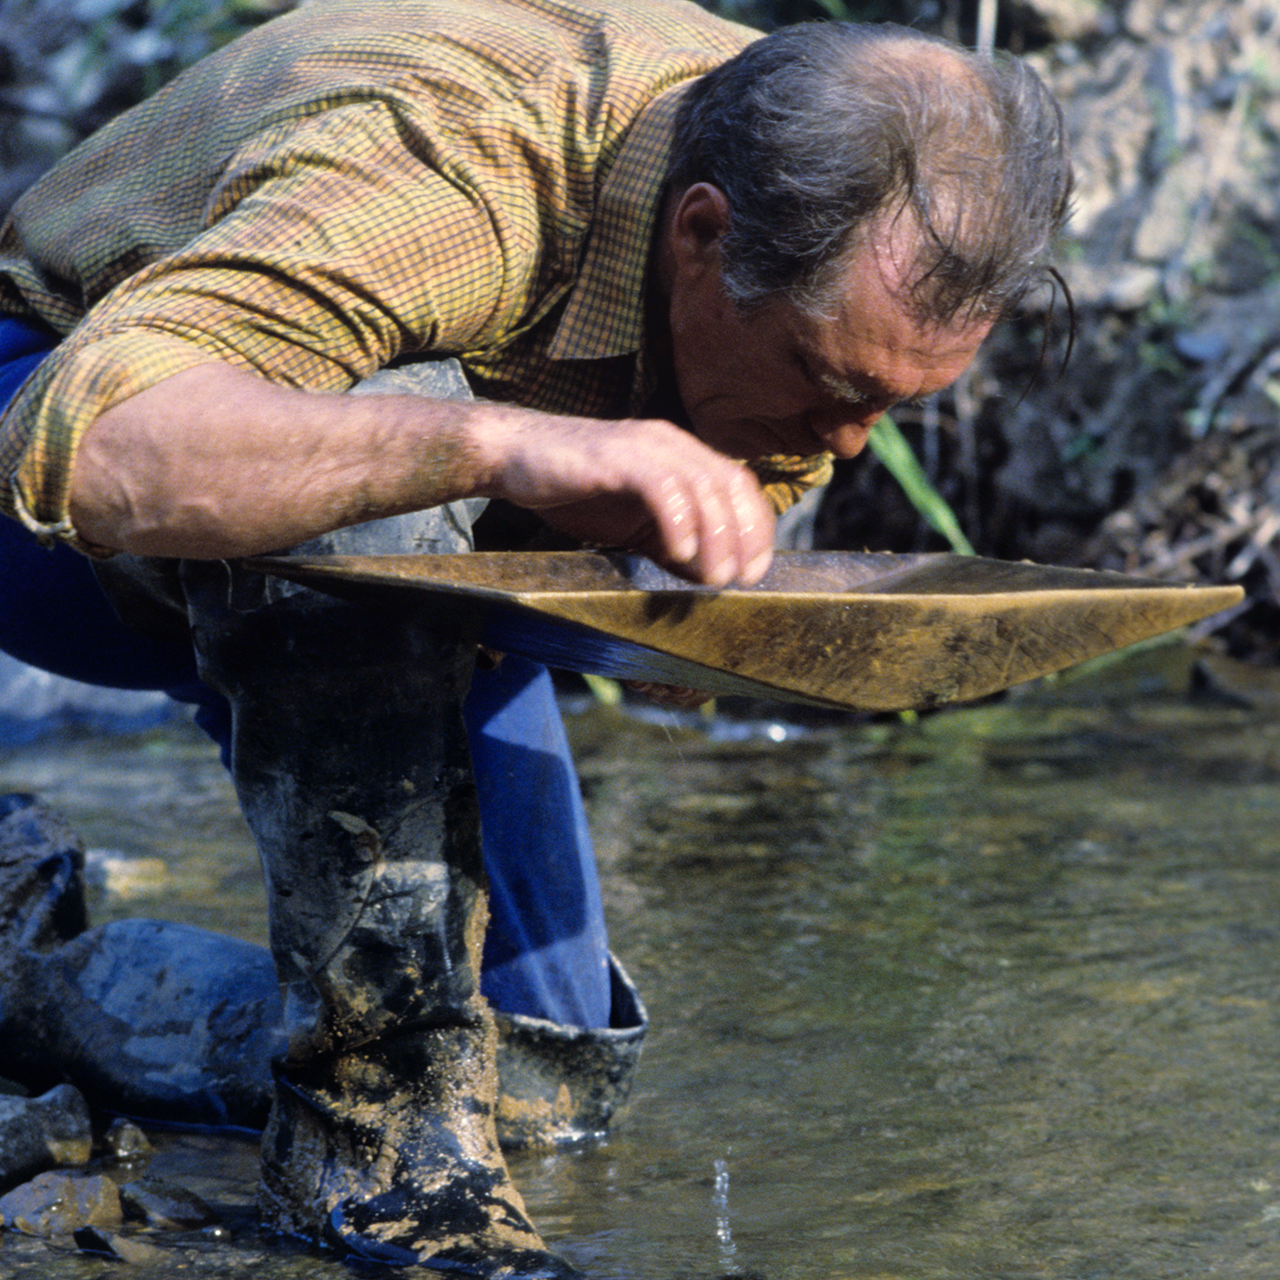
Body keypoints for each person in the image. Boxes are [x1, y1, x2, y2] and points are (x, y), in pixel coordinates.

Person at [0, 0, 1072, 1273]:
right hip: (60, 461)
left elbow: (700, 505)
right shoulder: (457, 163)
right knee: (398, 414)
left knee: (545, 1076)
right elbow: (96, 447)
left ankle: (26, 973)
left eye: (888, 409)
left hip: (416, 579)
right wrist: (499, 443)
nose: (844, 444)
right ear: (701, 237)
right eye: (827, 385)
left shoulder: (800, 200)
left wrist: (699, 632)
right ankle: (369, 1132)